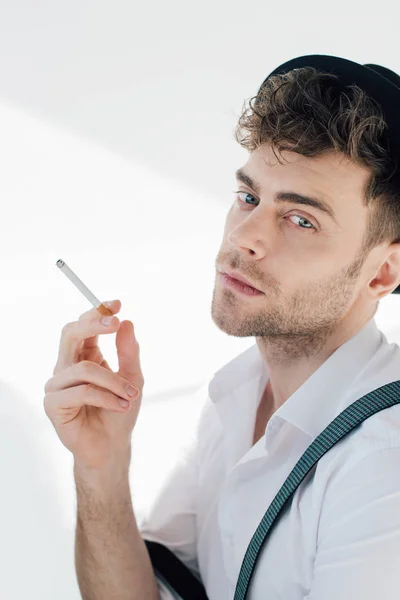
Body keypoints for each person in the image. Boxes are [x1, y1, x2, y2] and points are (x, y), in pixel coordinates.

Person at [44, 55, 400, 599]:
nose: (245, 237)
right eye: (249, 198)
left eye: (301, 219)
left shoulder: (383, 464)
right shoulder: (235, 397)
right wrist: (101, 466)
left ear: (383, 271)